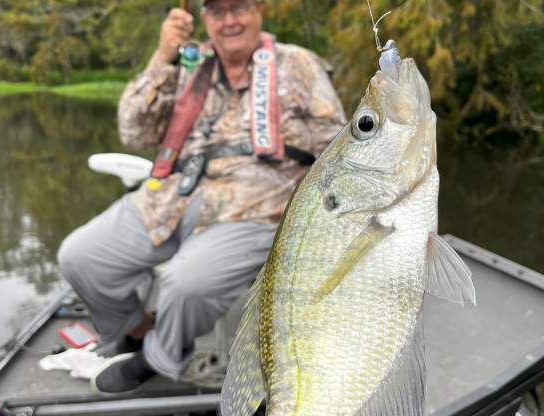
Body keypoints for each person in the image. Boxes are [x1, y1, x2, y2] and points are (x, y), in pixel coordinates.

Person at [57, 0, 346, 394]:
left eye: (238, 8)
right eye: (217, 11)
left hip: (257, 207)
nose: (229, 21)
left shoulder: (298, 63)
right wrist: (162, 55)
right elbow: (133, 131)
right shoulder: (190, 66)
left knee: (185, 283)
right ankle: (139, 332)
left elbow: (337, 149)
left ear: (259, 9)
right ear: (205, 19)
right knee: (80, 257)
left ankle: (158, 358)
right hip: (174, 196)